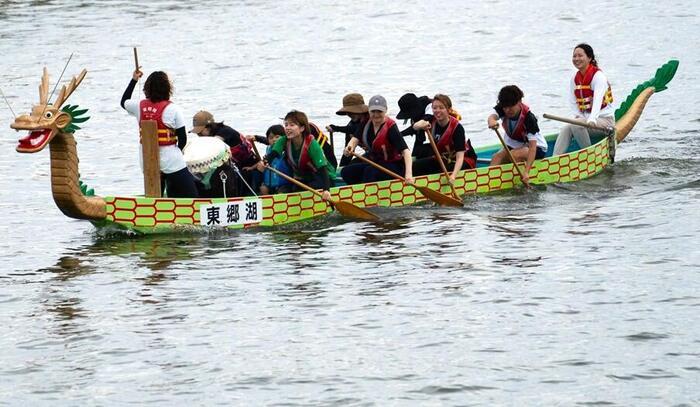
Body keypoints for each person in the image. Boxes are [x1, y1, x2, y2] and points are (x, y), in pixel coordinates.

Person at [120, 69, 198, 198]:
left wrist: (134, 80)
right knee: (192, 195)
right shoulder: (173, 109)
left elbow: (124, 101)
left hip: (147, 161)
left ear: (147, 88)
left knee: (157, 197)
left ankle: (155, 211)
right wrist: (176, 154)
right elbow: (183, 139)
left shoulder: (138, 106)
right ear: (167, 88)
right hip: (172, 162)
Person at [256, 111, 335, 201]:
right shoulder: (283, 140)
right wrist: (264, 162)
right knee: (293, 188)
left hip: (323, 177)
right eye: (286, 125)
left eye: (292, 125)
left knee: (301, 188)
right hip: (304, 177)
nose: (287, 128)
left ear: (302, 128)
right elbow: (273, 155)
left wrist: (326, 190)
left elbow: (322, 169)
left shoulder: (312, 144)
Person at [553, 43, 615, 155]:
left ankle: (590, 156)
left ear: (590, 58)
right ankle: (554, 158)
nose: (576, 59)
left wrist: (592, 119)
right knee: (567, 127)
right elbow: (573, 102)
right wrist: (580, 117)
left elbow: (597, 101)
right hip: (585, 121)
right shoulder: (574, 78)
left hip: (605, 122)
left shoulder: (598, 77)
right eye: (574, 56)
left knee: (576, 124)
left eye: (580, 56)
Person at [341, 95, 414, 185]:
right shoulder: (366, 123)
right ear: (369, 111)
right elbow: (355, 139)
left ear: (385, 110)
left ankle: (368, 194)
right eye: (373, 111)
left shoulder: (391, 127)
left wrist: (409, 175)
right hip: (377, 163)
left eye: (379, 111)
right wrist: (350, 147)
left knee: (370, 171)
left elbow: (406, 152)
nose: (376, 115)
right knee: (346, 171)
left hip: (395, 165)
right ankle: (359, 191)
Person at [190, 110, 261, 196]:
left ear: (208, 127)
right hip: (235, 167)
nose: (199, 136)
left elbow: (212, 146)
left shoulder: (224, 132)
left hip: (249, 168)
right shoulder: (211, 134)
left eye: (200, 133)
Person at [487, 85, 547, 185]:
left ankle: (515, 183)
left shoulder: (529, 118)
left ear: (519, 102)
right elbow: (492, 117)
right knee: (496, 158)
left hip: (537, 148)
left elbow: (532, 147)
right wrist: (492, 121)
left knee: (515, 155)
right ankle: (490, 183)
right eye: (505, 107)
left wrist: (527, 172)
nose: (507, 110)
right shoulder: (503, 107)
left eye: (511, 106)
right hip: (515, 145)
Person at [411, 94, 477, 183]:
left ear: (448, 110)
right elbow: (414, 127)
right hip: (443, 158)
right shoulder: (431, 121)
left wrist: (453, 176)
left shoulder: (457, 128)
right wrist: (420, 125)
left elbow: (460, 157)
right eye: (434, 108)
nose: (437, 111)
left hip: (464, 160)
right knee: (413, 166)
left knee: (439, 172)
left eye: (441, 108)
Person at [326, 93, 369, 167]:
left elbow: (355, 129)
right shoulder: (351, 125)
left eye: (353, 111)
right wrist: (341, 167)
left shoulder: (371, 120)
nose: (350, 114)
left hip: (381, 157)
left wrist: (336, 128)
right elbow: (348, 152)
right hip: (369, 155)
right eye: (348, 112)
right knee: (348, 167)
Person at [250, 124, 292, 195]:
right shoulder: (269, 149)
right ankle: (266, 204)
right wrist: (252, 167)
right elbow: (263, 162)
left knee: (281, 194)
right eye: (271, 138)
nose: (274, 139)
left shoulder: (287, 149)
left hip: (284, 184)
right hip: (269, 184)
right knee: (263, 189)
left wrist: (257, 138)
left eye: (277, 137)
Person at [396, 92, 434, 158]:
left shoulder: (431, 107)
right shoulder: (417, 114)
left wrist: (399, 135)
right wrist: (413, 157)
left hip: (449, 146)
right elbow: (419, 139)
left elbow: (422, 123)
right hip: (436, 143)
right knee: (417, 152)